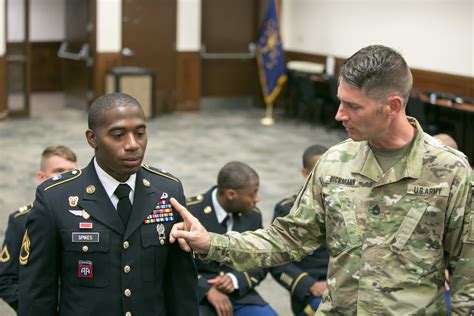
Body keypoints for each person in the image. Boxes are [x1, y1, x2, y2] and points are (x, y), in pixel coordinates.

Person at [169, 45, 474, 314]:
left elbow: (467, 268)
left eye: (353, 106)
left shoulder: (450, 171)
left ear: (392, 106)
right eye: (341, 101)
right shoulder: (335, 163)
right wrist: (211, 242)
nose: (339, 114)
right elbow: (287, 239)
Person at [18, 93, 198, 315]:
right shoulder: (56, 198)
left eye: (140, 133)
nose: (133, 145)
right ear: (92, 138)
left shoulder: (167, 191)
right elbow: (37, 293)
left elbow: (181, 284)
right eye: (118, 135)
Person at [186, 161, 276, 316]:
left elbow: (261, 261)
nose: (257, 199)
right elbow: (173, 263)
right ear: (231, 194)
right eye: (252, 193)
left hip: (239, 294)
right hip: (197, 295)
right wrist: (206, 289)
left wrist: (235, 280)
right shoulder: (190, 211)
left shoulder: (253, 216)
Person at [0, 145, 77, 312]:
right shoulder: (21, 221)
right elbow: (6, 279)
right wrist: (35, 308)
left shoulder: (89, 218)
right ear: (42, 177)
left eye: (71, 172)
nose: (65, 176)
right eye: (58, 171)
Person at [270, 144, 329, 315]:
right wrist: (310, 285)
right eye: (318, 172)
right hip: (310, 289)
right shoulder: (288, 209)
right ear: (305, 174)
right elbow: (278, 262)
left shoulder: (349, 205)